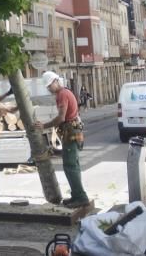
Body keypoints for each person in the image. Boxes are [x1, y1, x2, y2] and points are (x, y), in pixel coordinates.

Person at [37, 71, 89, 208]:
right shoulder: (66, 92)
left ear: (56, 81)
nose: (49, 89)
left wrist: (44, 126)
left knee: (70, 167)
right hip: (72, 132)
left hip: (71, 133)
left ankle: (81, 198)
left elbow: (61, 118)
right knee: (72, 166)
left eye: (50, 86)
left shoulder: (62, 95)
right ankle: (76, 195)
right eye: (47, 87)